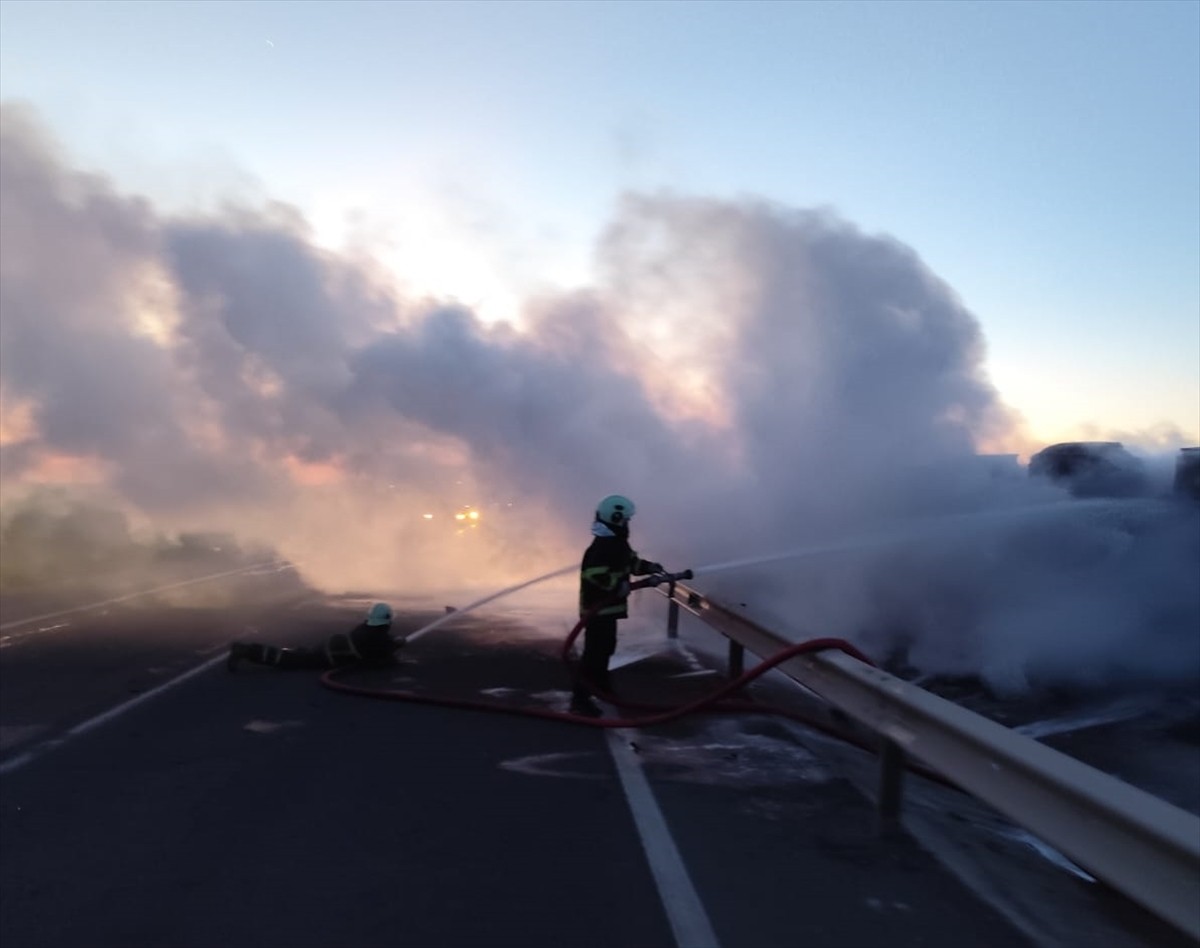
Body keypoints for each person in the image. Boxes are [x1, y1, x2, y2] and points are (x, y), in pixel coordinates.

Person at [572, 494, 667, 717]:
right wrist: (618, 586)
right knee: (593, 656)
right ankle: (580, 700)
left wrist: (648, 567)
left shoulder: (616, 542)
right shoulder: (604, 545)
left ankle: (602, 686)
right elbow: (596, 574)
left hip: (608, 611)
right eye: (626, 519)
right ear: (616, 519)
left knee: (605, 650)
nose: (628, 523)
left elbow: (630, 562)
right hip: (597, 611)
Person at [226, 602, 404, 671]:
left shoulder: (367, 629)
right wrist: (396, 645)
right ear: (387, 621)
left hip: (332, 645)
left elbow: (376, 646)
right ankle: (247, 651)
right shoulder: (377, 638)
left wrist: (392, 644)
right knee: (289, 661)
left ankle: (248, 650)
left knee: (298, 656)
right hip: (328, 656)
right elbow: (382, 658)